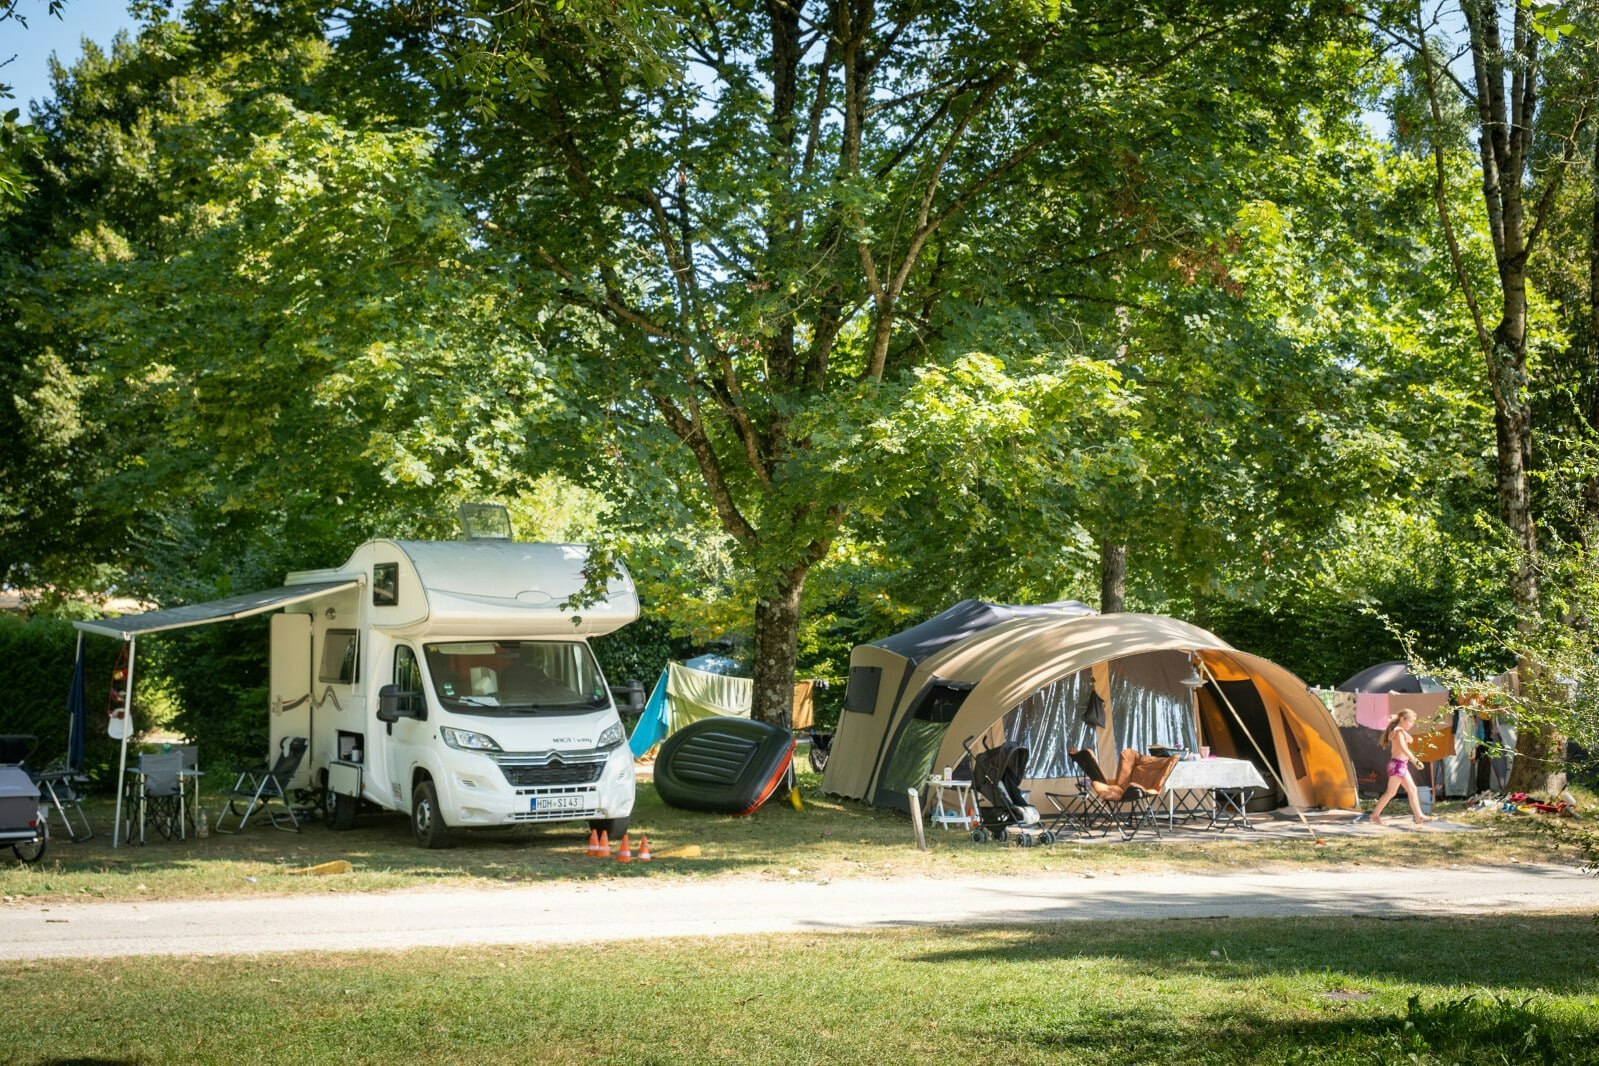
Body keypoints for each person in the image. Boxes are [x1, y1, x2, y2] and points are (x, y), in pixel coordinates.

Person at [1368, 709, 1434, 826]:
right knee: (1391, 792)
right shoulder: (1398, 732)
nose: (1412, 724)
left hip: (1400, 765)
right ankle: (1374, 815)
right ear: (1403, 719)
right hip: (1398, 765)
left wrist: (1399, 724)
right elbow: (1404, 748)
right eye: (1411, 721)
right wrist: (1415, 760)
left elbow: (1408, 740)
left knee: (1412, 789)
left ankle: (1419, 816)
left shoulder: (1399, 730)